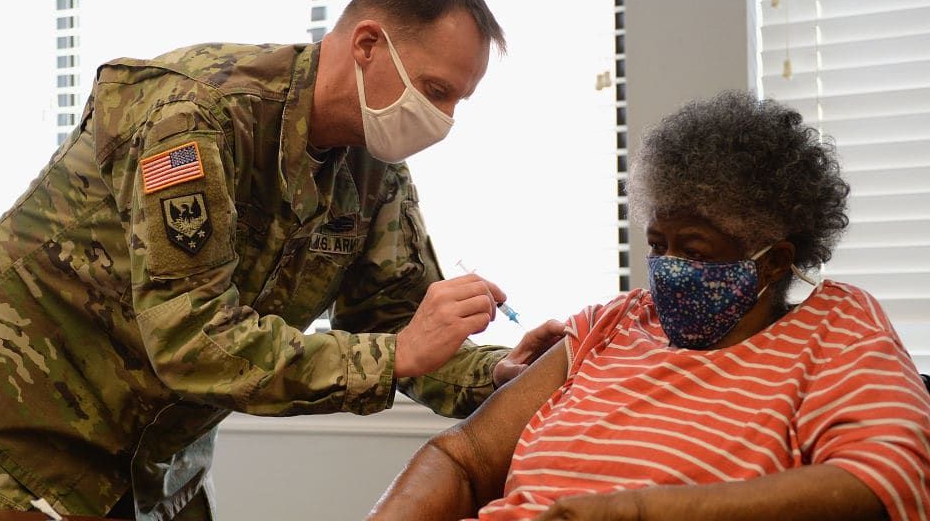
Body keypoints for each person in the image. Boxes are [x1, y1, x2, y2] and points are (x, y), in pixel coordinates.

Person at [0, 0, 563, 521]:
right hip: (18, 431)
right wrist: (391, 356)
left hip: (157, 458)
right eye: (435, 91)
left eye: (458, 102)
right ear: (367, 45)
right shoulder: (195, 112)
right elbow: (194, 339)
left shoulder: (374, 174)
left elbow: (400, 326)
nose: (443, 120)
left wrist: (500, 374)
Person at [367, 91, 930, 521]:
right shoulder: (612, 323)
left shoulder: (837, 329)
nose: (667, 268)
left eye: (694, 248)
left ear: (773, 260)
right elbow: (464, 456)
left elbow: (880, 480)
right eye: (658, 245)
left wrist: (638, 511)